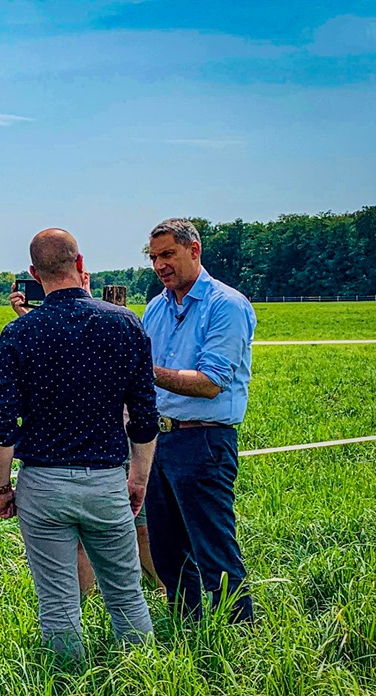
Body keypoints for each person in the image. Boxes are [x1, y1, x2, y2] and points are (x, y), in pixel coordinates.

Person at [0, 228, 159, 660]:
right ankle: (141, 680)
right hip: (106, 480)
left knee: (58, 604)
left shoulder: (20, 333)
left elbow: (0, 424)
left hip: (42, 482)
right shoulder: (125, 324)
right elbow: (144, 415)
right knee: (126, 595)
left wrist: (2, 487)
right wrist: (138, 478)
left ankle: (65, 690)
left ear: (32, 273)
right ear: (80, 265)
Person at [9, 279, 163, 595]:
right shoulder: (114, 322)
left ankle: (161, 587)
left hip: (118, 444)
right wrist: (27, 314)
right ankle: (92, 599)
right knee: (103, 541)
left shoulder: (111, 321)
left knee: (142, 529)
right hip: (110, 448)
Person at [142, 218, 256, 623]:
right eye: (154, 257)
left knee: (213, 548)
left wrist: (142, 369)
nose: (160, 265)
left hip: (204, 441)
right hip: (158, 440)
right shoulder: (156, 306)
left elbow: (211, 383)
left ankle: (239, 634)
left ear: (195, 250)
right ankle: (186, 629)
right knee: (167, 551)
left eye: (168, 254)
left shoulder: (226, 304)